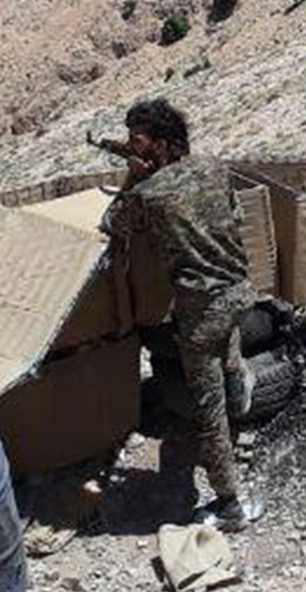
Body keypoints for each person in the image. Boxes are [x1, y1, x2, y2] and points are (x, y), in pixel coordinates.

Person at [107, 96, 261, 530]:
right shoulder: (214, 167)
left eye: (136, 140)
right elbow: (227, 214)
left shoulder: (148, 193)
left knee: (207, 412)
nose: (130, 146)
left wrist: (131, 181)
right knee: (226, 344)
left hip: (201, 311)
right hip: (241, 291)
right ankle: (238, 384)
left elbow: (112, 225)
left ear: (156, 144)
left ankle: (230, 505)